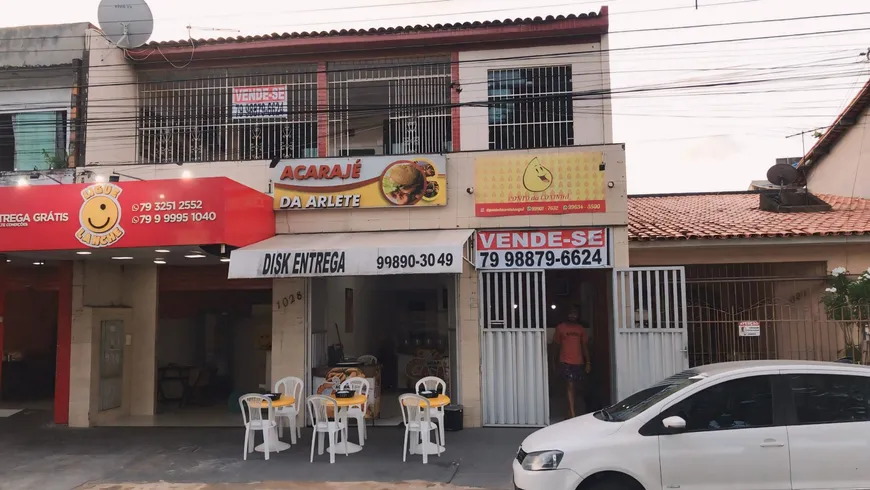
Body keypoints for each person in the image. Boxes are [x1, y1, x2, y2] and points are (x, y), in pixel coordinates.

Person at [553, 308, 591, 418]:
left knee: (576, 387)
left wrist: (588, 362)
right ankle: (572, 412)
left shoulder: (581, 329)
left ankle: (570, 411)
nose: (572, 316)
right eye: (570, 313)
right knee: (569, 385)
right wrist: (553, 361)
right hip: (565, 361)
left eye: (574, 313)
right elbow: (556, 346)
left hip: (578, 362)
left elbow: (585, 346)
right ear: (566, 314)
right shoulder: (560, 328)